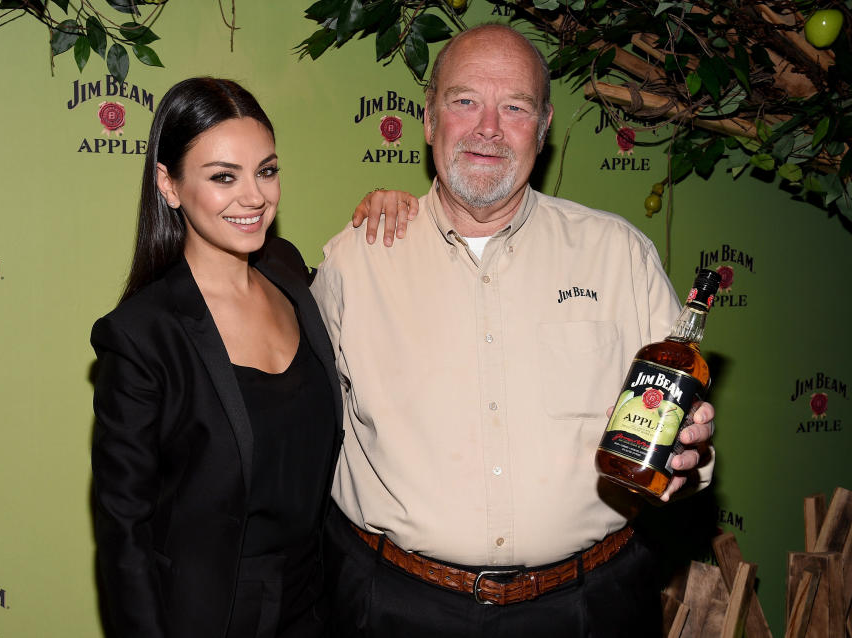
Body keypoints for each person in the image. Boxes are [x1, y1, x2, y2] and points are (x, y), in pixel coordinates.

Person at [312, 24, 717, 638]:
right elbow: (294, 434)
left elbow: (681, 434)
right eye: (465, 100)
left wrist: (691, 457)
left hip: (589, 606)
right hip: (397, 608)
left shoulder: (617, 253)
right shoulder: (354, 261)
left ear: (544, 125)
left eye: (516, 107)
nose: (489, 128)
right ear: (428, 119)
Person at [90, 77, 414, 638]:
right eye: (223, 177)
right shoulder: (142, 337)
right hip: (216, 614)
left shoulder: (287, 270)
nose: (255, 197)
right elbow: (125, 533)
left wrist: (388, 204)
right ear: (168, 184)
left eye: (266, 170)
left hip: (322, 597)